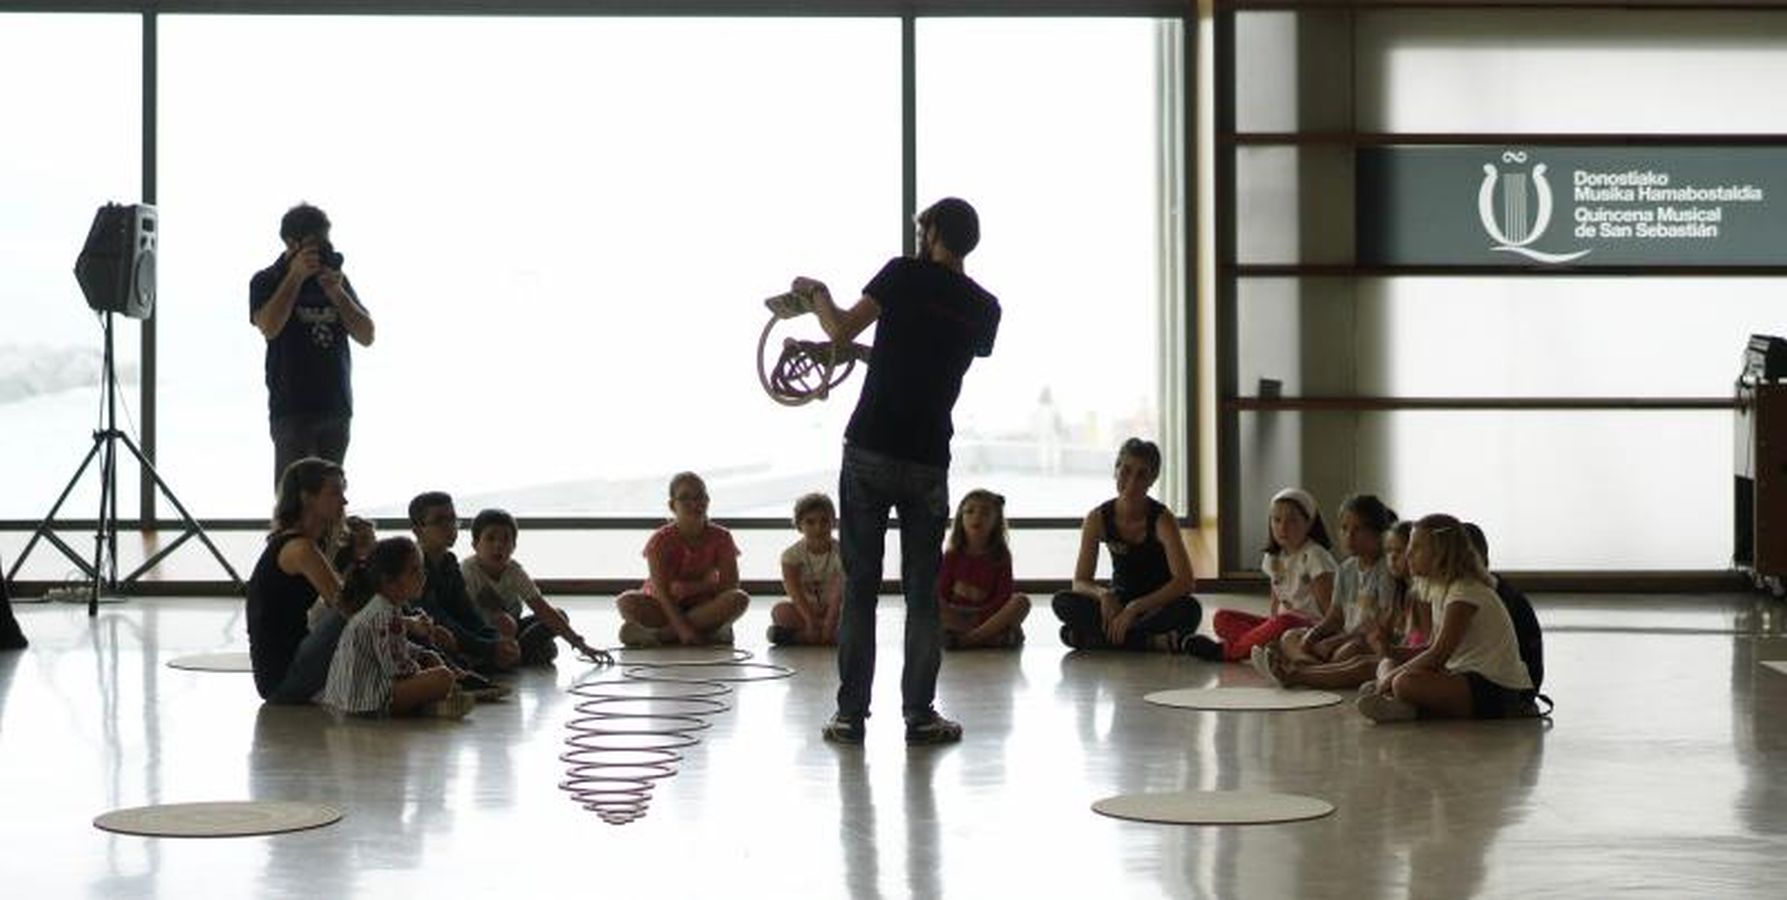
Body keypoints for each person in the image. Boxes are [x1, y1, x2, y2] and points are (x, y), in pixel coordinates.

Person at [798, 197, 1001, 746]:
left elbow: (840, 327)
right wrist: (865, 356)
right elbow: (923, 358)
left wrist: (814, 294)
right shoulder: (985, 308)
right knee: (921, 594)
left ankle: (850, 716)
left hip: (870, 447)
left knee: (860, 586)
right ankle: (919, 714)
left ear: (932, 231)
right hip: (928, 456)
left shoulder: (901, 275)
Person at [1356, 513, 1537, 722]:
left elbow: (1438, 654)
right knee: (1387, 662)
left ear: (1441, 552)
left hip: (1497, 689)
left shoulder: (1465, 591)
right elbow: (1431, 648)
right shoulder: (1441, 590)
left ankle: (1406, 707)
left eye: (1416, 548)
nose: (1408, 555)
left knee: (1402, 682)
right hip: (1462, 677)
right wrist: (1390, 650)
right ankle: (1397, 699)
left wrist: (1391, 678)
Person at [249, 203, 375, 487]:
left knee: (331, 497)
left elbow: (367, 335)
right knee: (293, 498)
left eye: (324, 244)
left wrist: (337, 292)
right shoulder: (267, 280)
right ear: (291, 243)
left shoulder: (335, 280)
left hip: (336, 405)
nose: (320, 252)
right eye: (312, 246)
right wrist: (295, 276)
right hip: (292, 406)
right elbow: (269, 326)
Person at [1052, 438, 1202, 652]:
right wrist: (1104, 595)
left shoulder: (1162, 519)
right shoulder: (1097, 519)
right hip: (1119, 602)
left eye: (1142, 475)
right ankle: (1149, 641)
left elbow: (1185, 582)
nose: (1132, 482)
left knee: (1189, 610)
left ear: (1152, 479)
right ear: (1116, 470)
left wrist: (1135, 608)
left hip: (1155, 605)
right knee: (1062, 602)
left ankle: (1101, 639)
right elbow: (1080, 581)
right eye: (1126, 471)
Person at [1253, 495, 1401, 691]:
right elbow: (1334, 617)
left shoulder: (1385, 571)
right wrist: (1313, 635)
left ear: (1378, 534)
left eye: (1358, 529)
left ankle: (1301, 674)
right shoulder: (1346, 569)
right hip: (1345, 635)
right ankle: (1311, 669)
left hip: (1366, 640)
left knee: (1348, 652)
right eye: (1344, 528)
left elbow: (1381, 626)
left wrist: (1337, 640)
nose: (1349, 536)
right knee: (1291, 637)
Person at [320, 536, 469, 718]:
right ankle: (432, 705)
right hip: (365, 702)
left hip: (352, 698)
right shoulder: (386, 616)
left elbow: (395, 645)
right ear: (389, 581)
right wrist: (420, 670)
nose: (423, 575)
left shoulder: (383, 608)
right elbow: (395, 666)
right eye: (414, 570)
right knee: (443, 677)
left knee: (430, 659)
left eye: (422, 569)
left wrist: (422, 654)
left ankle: (430, 701)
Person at [1183, 488, 1336, 662]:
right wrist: (1268, 628)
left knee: (1284, 621)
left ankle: (1227, 652)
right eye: (1276, 520)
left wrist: (1326, 638)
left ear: (1308, 523)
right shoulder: (1273, 557)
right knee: (1222, 618)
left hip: (1311, 628)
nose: (1282, 527)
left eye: (1292, 521)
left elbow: (1330, 610)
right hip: (1282, 625)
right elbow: (1276, 600)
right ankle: (1270, 645)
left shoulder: (1315, 555)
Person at [246, 457, 349, 702]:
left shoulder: (300, 542)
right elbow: (346, 604)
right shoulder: (299, 548)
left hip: (282, 670)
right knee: (351, 614)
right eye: (335, 492)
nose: (344, 501)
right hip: (282, 679)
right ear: (307, 497)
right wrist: (407, 624)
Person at [615, 472, 750, 647]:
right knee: (627, 602)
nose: (694, 503)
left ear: (708, 500)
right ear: (672, 505)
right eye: (685, 497)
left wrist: (711, 610)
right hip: (665, 606)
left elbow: (730, 585)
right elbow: (662, 592)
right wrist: (684, 629)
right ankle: (707, 632)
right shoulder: (660, 541)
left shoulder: (722, 537)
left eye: (699, 496)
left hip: (704, 605)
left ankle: (661, 636)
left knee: (739, 599)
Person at [461, 508, 605, 664]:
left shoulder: (514, 571)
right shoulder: (467, 572)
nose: (498, 545)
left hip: (514, 630)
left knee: (559, 616)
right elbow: (462, 619)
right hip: (482, 634)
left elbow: (542, 608)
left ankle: (514, 655)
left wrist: (580, 644)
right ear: (475, 544)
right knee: (547, 649)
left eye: (505, 539)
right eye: (490, 538)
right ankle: (511, 655)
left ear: (514, 546)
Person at [409, 491, 521, 672]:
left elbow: (467, 612)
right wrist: (488, 647)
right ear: (417, 530)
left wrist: (494, 640)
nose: (450, 526)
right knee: (444, 641)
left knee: (516, 645)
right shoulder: (413, 566)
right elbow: (437, 619)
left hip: (460, 637)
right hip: (424, 639)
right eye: (439, 521)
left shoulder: (449, 562)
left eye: (452, 519)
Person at [939, 489, 1031, 649]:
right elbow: (942, 592)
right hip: (957, 615)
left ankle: (967, 640)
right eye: (970, 511)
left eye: (985, 513)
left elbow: (1004, 595)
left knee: (1021, 602)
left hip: (988, 615)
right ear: (961, 519)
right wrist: (952, 611)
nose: (977, 517)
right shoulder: (952, 555)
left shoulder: (1001, 556)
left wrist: (981, 615)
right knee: (928, 602)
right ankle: (992, 637)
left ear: (996, 521)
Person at [768, 493, 844, 647]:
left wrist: (829, 623)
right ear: (799, 525)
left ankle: (804, 638)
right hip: (805, 610)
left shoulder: (842, 552)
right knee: (780, 611)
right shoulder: (791, 555)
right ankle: (824, 637)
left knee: (860, 615)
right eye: (810, 522)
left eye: (824, 521)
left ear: (833, 523)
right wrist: (810, 620)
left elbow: (838, 594)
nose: (818, 528)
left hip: (836, 611)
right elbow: (793, 592)